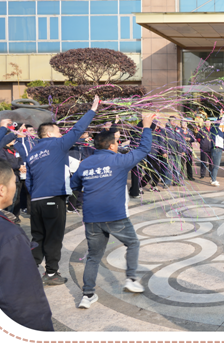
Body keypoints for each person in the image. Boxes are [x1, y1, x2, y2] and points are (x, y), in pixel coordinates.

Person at [70, 113, 156, 309]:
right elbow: (144, 149)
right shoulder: (119, 160)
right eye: (116, 142)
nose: (118, 145)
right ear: (111, 146)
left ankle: (87, 295)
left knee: (93, 256)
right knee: (133, 243)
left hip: (91, 217)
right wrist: (146, 126)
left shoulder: (85, 164)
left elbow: (74, 185)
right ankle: (131, 279)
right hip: (114, 216)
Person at [26, 95, 100, 286]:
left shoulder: (32, 153)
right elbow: (77, 130)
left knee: (38, 236)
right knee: (54, 237)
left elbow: (29, 181)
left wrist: (36, 195)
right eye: (59, 132)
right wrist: (92, 110)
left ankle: (28, 270)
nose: (61, 135)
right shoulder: (57, 145)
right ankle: (51, 273)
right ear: (49, 134)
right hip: (53, 198)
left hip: (36, 201)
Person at [0, 157, 54, 331]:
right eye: (14, 182)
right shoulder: (6, 235)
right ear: (1, 190)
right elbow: (24, 304)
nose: (16, 187)